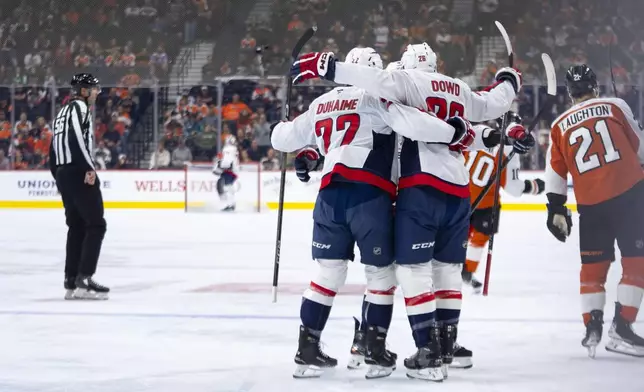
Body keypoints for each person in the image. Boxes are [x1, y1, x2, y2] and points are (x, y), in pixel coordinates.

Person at [290, 42, 523, 381]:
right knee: (440, 273)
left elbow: (365, 122)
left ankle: (404, 348)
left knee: (391, 273)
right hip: (457, 189)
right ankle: (442, 347)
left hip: (412, 189)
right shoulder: (456, 87)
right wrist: (508, 84)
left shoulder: (401, 86)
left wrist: (328, 68)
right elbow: (487, 108)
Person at [545, 64, 644, 358]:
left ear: (570, 92)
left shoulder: (559, 125)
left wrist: (555, 208)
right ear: (595, 86)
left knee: (592, 270)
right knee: (637, 263)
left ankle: (592, 328)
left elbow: (556, 174)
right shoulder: (614, 105)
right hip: (629, 197)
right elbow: (640, 146)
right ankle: (622, 328)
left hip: (590, 206)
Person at [463, 112, 543, 295]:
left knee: (454, 237)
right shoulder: (509, 151)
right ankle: (466, 271)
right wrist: (534, 186)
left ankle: (443, 271)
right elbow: (513, 188)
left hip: (460, 197)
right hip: (485, 204)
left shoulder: (477, 133)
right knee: (480, 237)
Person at [49, 73, 109, 300]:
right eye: (94, 89)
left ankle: (71, 279)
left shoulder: (61, 113)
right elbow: (77, 140)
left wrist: (58, 176)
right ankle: (85, 278)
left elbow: (54, 147)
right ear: (84, 91)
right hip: (78, 170)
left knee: (76, 226)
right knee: (96, 224)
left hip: (65, 172)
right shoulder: (80, 109)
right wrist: (89, 168)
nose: (96, 93)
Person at [212, 135, 240, 212]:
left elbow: (227, 160)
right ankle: (231, 204)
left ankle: (231, 204)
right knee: (228, 186)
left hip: (229, 170)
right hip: (233, 170)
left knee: (228, 187)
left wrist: (220, 166)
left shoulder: (228, 148)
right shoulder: (234, 149)